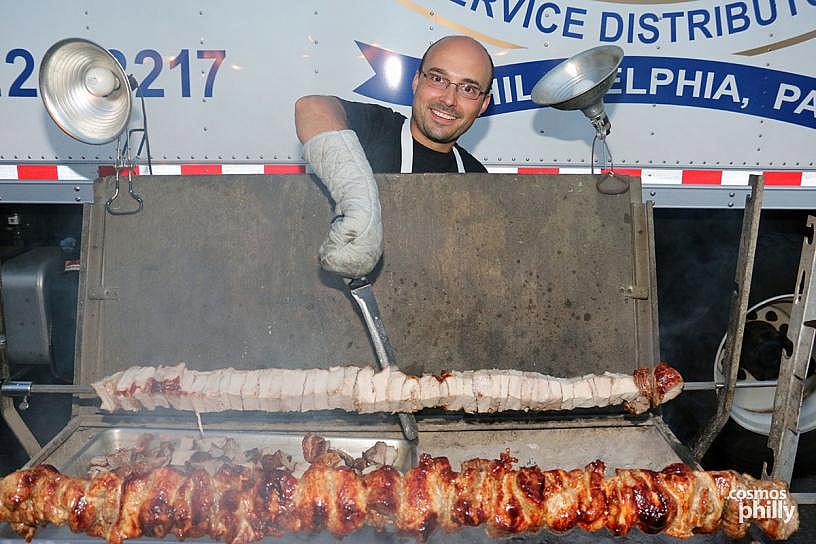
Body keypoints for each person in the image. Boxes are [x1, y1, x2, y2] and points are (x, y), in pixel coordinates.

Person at [294, 35, 494, 279]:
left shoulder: (478, 177)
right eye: (438, 78)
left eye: (468, 89)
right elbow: (311, 108)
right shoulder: (374, 130)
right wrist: (360, 204)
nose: (449, 100)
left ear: (483, 104)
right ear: (416, 81)